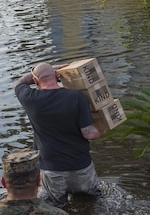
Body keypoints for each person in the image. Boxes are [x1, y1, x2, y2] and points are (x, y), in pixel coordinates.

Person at [14, 61, 101, 207]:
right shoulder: (77, 97)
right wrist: (104, 127)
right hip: (80, 164)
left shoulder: (30, 99)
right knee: (90, 204)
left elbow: (19, 82)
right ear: (56, 75)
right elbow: (89, 134)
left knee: (56, 207)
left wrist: (39, 74)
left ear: (35, 81)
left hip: (52, 167)